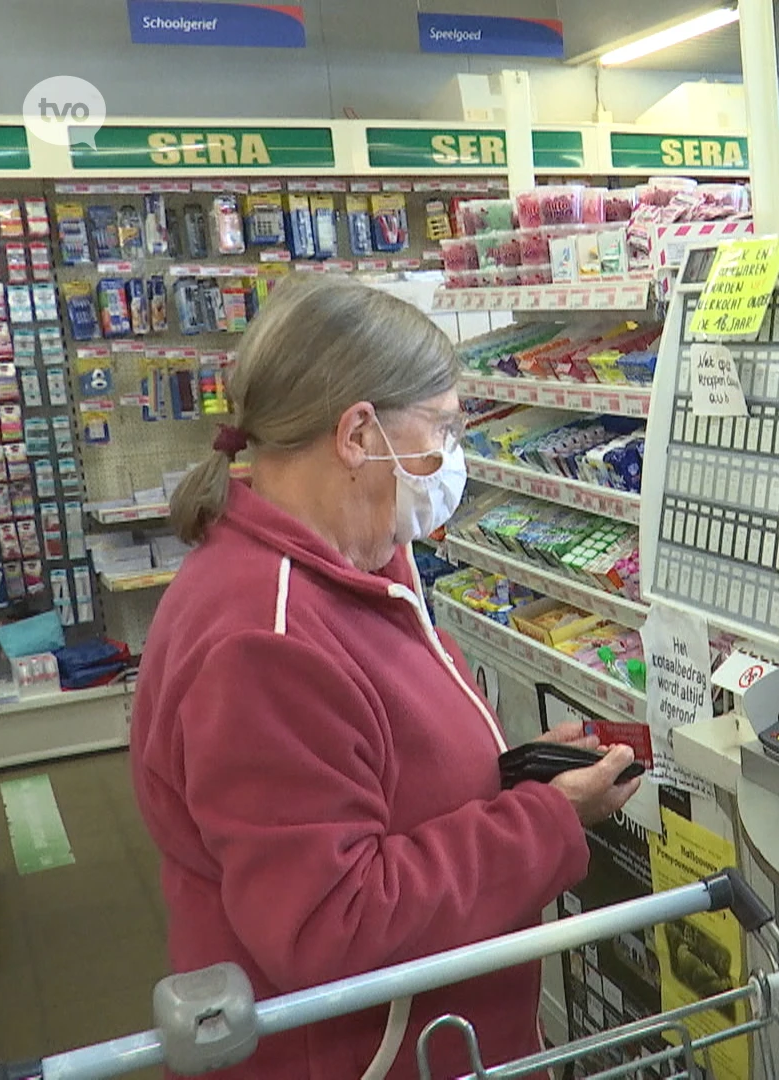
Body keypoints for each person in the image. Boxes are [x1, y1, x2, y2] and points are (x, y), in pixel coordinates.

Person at [130, 275, 640, 1080]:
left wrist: (508, 776)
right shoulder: (264, 641)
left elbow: (373, 781)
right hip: (361, 1059)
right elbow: (333, 923)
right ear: (358, 434)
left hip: (433, 1039)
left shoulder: (350, 570)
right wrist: (546, 820)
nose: (452, 459)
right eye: (441, 428)